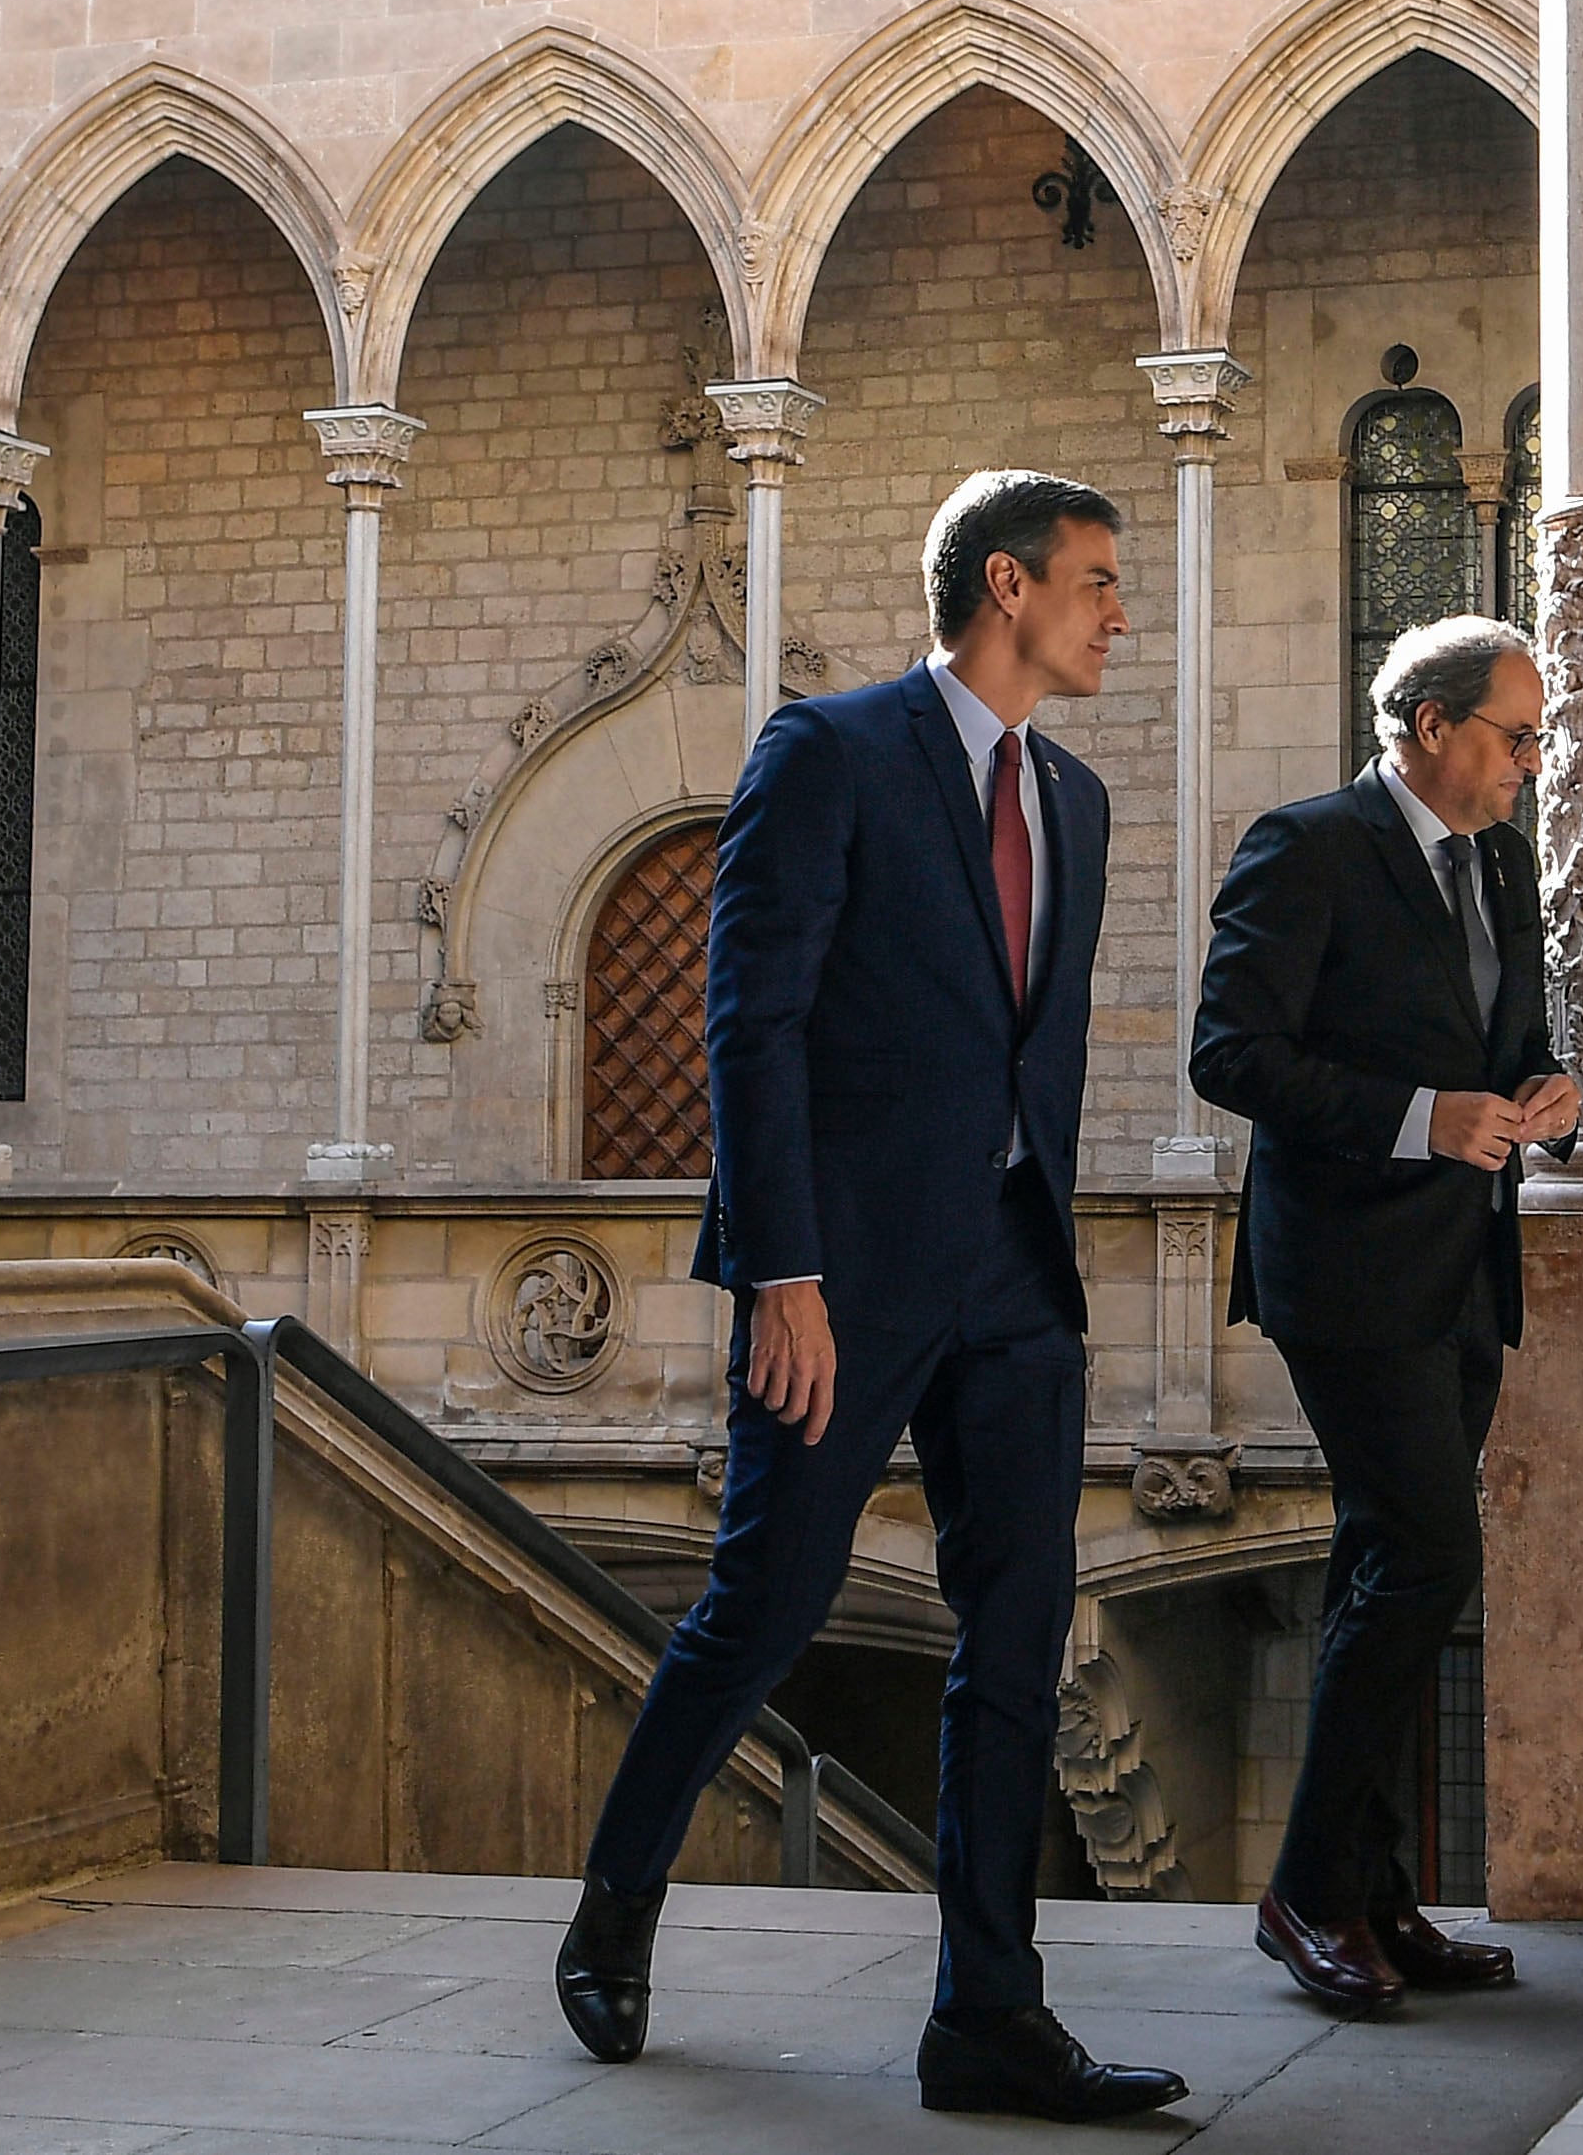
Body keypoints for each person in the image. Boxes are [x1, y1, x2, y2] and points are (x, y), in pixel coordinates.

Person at [554, 469, 1187, 2123]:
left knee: (1019, 1636)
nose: (1123, 611)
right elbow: (748, 1023)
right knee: (766, 1601)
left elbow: (1020, 1051)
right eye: (1100, 581)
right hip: (839, 1279)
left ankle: (988, 2012)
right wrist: (783, 1269)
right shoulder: (825, 754)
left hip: (1016, 1282)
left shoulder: (1083, 805)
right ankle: (619, 1898)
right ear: (1007, 585)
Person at [1188, 614, 1582, 2016]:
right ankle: (1306, 1890)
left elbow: (1512, 1045)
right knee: (1424, 1557)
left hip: (1467, 1266)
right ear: (1433, 728)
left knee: (1385, 1567)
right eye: (1516, 734)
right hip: (1348, 1273)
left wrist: (1551, 1096)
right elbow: (1229, 1051)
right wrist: (1423, 1118)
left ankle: (1376, 1889)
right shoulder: (1308, 847)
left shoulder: (1504, 863)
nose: (1533, 762)